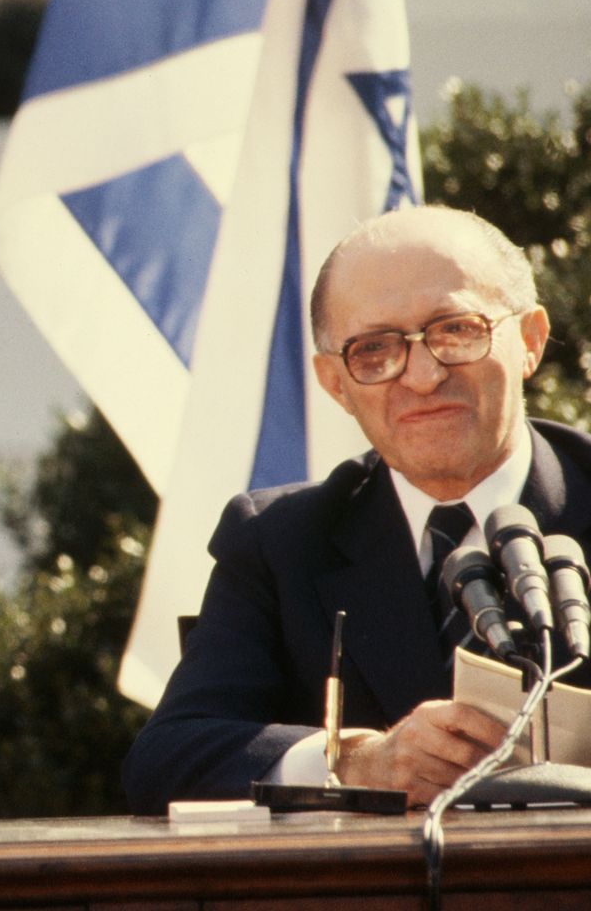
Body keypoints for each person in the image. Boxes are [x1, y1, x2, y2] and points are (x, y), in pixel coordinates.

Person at [122, 205, 584, 813]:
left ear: (530, 340)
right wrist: (356, 760)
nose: (421, 375)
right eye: (374, 350)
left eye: (455, 330)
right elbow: (166, 760)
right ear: (335, 383)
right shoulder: (280, 543)